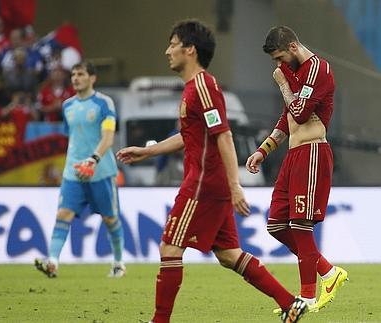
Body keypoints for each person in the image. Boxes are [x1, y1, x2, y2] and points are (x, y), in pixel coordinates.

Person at [116, 20, 307, 323]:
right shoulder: (193, 89)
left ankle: (159, 321)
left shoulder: (203, 86)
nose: (168, 51)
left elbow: (224, 134)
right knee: (229, 254)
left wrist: (234, 185)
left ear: (190, 50)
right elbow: (191, 135)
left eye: (173, 44)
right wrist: (148, 151)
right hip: (209, 183)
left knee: (169, 247)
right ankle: (290, 304)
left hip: (203, 183)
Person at [246, 25, 348, 313]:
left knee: (301, 225)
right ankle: (328, 272)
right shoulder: (295, 74)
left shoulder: (317, 68)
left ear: (292, 47)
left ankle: (307, 297)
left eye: (279, 57)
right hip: (294, 155)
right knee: (276, 224)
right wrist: (263, 150)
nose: (278, 65)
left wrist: (282, 85)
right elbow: (287, 119)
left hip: (313, 151)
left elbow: (301, 114)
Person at [34, 61, 126, 279]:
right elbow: (74, 137)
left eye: (81, 74)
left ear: (92, 78)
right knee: (63, 214)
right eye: (73, 74)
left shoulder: (105, 104)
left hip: (100, 171)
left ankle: (118, 262)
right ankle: (53, 262)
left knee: (110, 219)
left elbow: (108, 137)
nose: (75, 78)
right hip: (73, 172)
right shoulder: (67, 106)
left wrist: (93, 160)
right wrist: (76, 162)